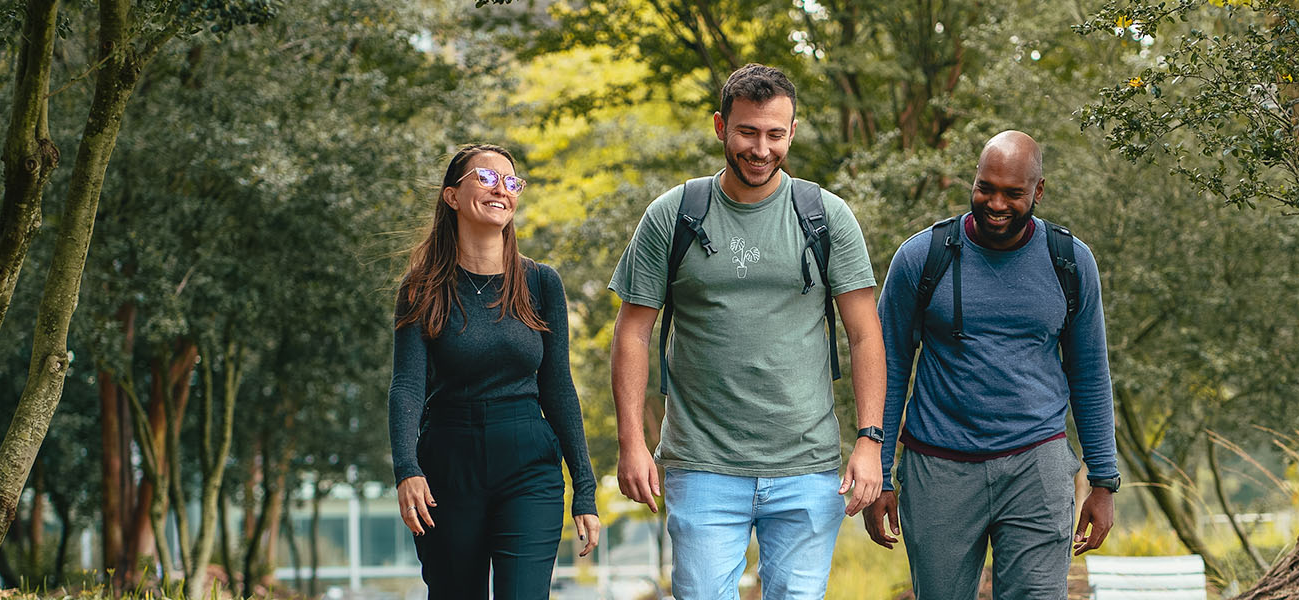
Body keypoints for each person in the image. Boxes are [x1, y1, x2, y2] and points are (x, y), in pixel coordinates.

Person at [608, 64, 886, 599]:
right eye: (748, 132)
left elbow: (865, 335)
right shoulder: (674, 215)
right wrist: (632, 443)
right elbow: (632, 333)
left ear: (792, 132)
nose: (761, 149)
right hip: (702, 464)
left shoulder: (825, 216)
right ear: (720, 127)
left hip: (807, 465)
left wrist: (869, 441)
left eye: (775, 134)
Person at [866, 131, 1121, 599]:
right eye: (986, 187)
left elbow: (1089, 373)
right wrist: (880, 471)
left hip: (1037, 466)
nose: (996, 202)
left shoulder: (1070, 262)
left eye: (1013, 193)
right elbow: (888, 366)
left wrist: (1103, 480)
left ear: (1038, 191)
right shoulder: (923, 257)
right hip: (938, 467)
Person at [387, 144, 600, 598]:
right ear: (452, 197)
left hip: (529, 465)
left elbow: (558, 387)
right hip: (448, 466)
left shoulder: (541, 283)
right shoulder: (422, 288)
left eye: (511, 181)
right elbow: (406, 385)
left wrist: (584, 487)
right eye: (485, 178)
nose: (501, 189)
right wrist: (407, 468)